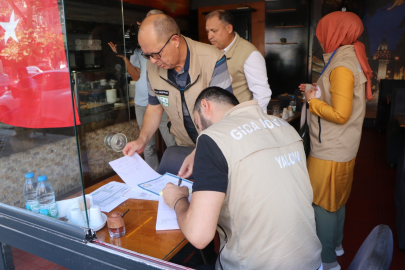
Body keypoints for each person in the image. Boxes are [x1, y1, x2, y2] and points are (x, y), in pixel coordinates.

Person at [162, 87, 323, 270]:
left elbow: (199, 236)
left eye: (198, 125)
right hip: (312, 262)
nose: (200, 132)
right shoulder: (285, 127)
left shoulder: (212, 138)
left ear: (205, 106)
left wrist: (178, 199)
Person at [299, 11, 372, 270]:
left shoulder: (341, 64)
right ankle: (338, 244)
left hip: (330, 147)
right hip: (343, 145)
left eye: (323, 34)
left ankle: (327, 260)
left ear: (335, 33)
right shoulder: (349, 55)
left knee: (322, 204)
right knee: (337, 200)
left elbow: (340, 114)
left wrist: (311, 100)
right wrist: (315, 90)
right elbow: (341, 98)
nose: (321, 40)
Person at [123, 14, 233, 178]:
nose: (152, 61)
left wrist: (200, 150)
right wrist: (142, 139)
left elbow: (224, 116)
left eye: (156, 54)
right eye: (148, 55)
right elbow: (154, 107)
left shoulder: (212, 59)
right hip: (184, 145)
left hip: (217, 145)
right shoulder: (153, 68)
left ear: (175, 40)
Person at [108, 10, 176, 171]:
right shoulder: (138, 49)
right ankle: (153, 178)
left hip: (162, 102)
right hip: (141, 103)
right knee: (147, 146)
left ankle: (177, 178)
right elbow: (136, 76)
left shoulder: (166, 47)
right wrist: (123, 56)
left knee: (172, 143)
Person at [205, 10, 271, 113]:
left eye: (214, 31)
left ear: (229, 28)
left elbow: (262, 94)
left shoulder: (249, 54)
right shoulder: (211, 51)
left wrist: (254, 121)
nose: (209, 36)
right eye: (208, 31)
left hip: (240, 120)